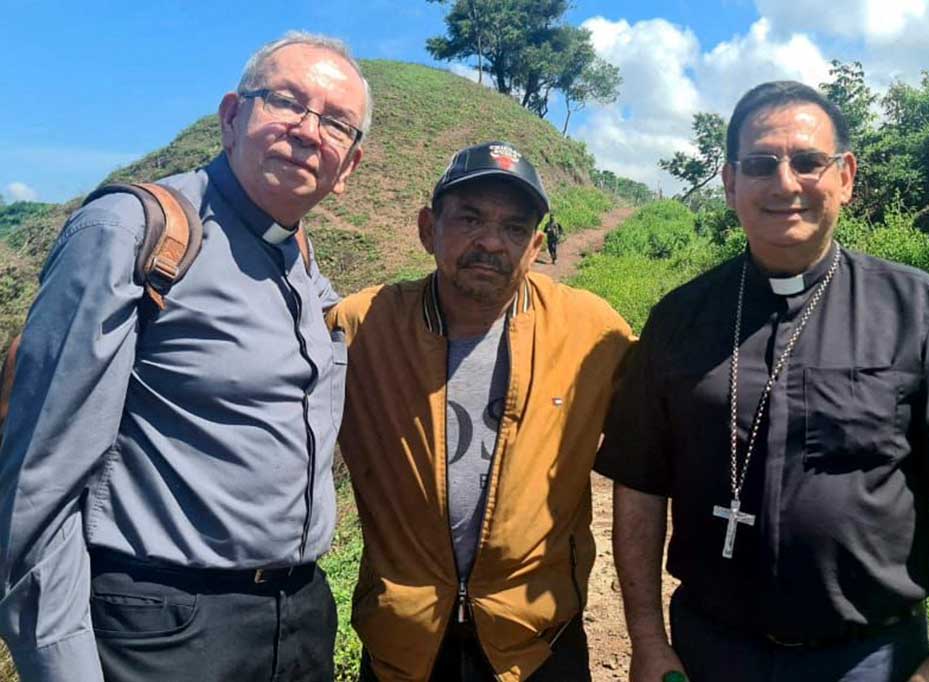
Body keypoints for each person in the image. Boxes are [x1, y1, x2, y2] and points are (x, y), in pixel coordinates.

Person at [595, 81, 929, 682]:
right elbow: (640, 487)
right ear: (730, 184)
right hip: (710, 652)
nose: (785, 183)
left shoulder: (919, 311)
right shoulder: (679, 319)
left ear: (845, 177)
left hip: (871, 658)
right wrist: (646, 640)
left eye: (807, 161)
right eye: (760, 164)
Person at [0, 31, 371, 682]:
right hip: (166, 629)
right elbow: (38, 483)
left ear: (348, 169)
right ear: (231, 116)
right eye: (287, 101)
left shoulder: (302, 261)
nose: (309, 131)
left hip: (298, 620)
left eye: (336, 123)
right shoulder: (134, 232)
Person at [328, 141, 632, 681]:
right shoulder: (362, 328)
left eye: (514, 228)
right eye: (470, 219)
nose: (491, 242)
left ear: (535, 246)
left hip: (537, 643)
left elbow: (663, 430)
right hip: (404, 642)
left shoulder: (591, 331)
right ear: (428, 228)